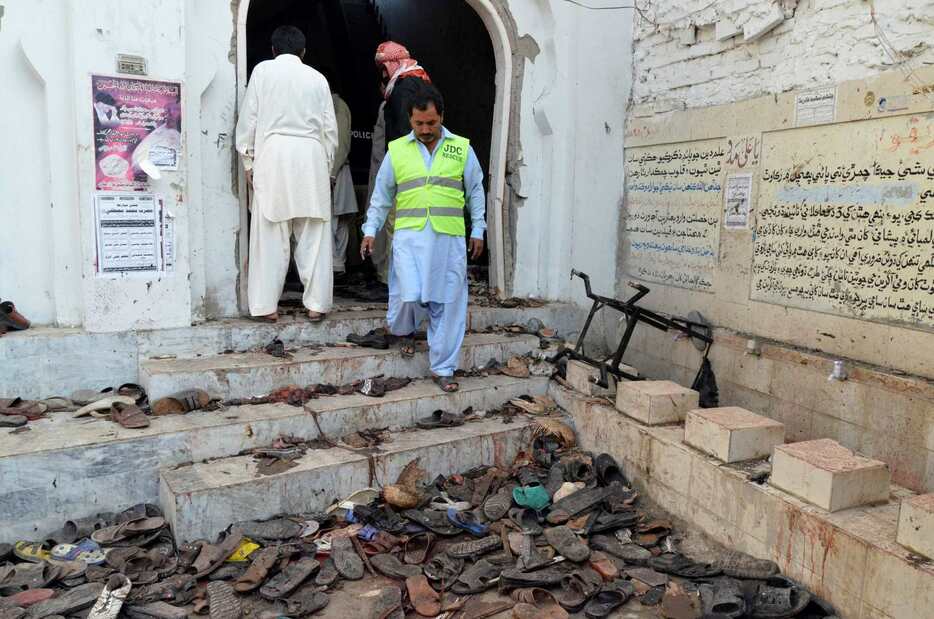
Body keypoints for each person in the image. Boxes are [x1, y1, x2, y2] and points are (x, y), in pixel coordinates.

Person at [361, 84, 485, 393]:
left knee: (448, 302)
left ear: (442, 116)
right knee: (410, 295)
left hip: (449, 239)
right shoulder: (398, 150)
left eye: (432, 122)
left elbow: (476, 190)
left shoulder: (461, 148)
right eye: (419, 124)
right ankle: (404, 331)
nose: (426, 129)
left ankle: (444, 368)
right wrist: (369, 230)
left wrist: (478, 229)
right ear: (410, 120)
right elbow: (382, 195)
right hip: (410, 239)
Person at [235, 26, 337, 322]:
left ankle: (266, 307)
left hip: (274, 154)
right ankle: (317, 304)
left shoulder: (263, 71)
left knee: (270, 233)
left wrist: (248, 163)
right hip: (311, 156)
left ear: (273, 49)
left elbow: (249, 120)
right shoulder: (318, 78)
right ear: (303, 53)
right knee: (313, 234)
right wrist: (324, 168)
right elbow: (330, 130)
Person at [367, 42, 432, 285]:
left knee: (397, 227)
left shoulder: (403, 89)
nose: (383, 74)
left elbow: (401, 136)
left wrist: (395, 172)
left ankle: (397, 282)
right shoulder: (424, 84)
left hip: (404, 171)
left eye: (384, 68)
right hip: (423, 170)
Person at [326, 75, 358, 276]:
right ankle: (335, 265)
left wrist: (331, 173)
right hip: (331, 170)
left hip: (335, 170)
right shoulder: (330, 104)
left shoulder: (337, 106)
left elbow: (342, 143)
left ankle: (337, 265)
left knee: (336, 220)